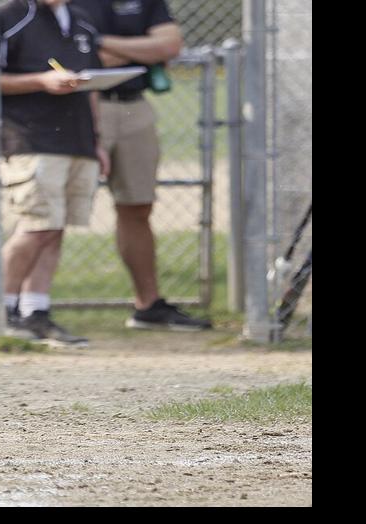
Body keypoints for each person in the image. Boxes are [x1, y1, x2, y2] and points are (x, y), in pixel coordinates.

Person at [70, 0, 211, 330]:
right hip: (79, 107)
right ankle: (29, 306)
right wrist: (140, 52)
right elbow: (76, 59)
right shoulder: (66, 5)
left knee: (138, 206)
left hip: (135, 107)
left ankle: (148, 306)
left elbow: (169, 45)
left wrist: (100, 41)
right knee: (52, 212)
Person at [0, 0, 108, 346]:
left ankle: (36, 311)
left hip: (76, 138)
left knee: (55, 227)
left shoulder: (81, 19)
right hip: (30, 137)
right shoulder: (9, 16)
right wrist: (41, 81)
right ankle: (1, 310)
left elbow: (89, 85)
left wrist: (96, 139)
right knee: (36, 225)